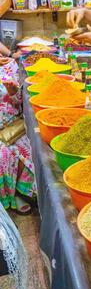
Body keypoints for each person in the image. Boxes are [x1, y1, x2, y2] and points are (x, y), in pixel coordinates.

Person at [0, 56, 36, 213]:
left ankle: (19, 192)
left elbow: (19, 101)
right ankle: (9, 197)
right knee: (3, 154)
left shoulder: (10, 66)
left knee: (31, 149)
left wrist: (13, 91)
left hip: (14, 125)